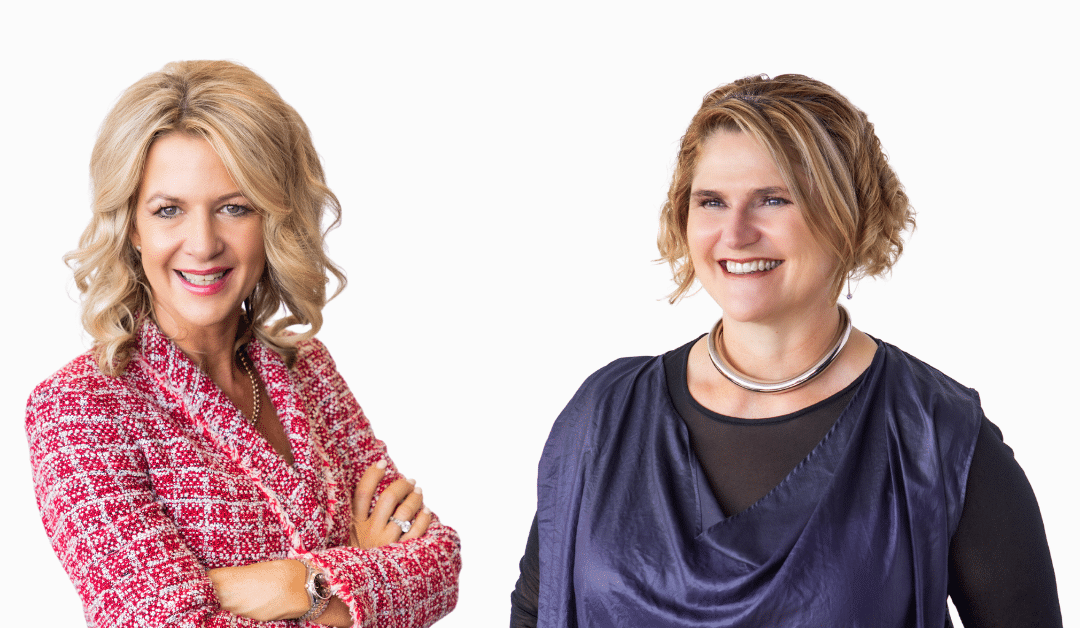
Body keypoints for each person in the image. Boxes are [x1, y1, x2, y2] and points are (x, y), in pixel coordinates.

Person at [510, 74, 1061, 627]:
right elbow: (535, 612)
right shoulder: (605, 415)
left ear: (847, 216)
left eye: (773, 199)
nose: (735, 232)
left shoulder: (933, 433)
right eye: (712, 202)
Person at [25, 60, 460, 627]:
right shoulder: (79, 409)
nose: (202, 244)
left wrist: (284, 585)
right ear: (131, 224)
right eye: (168, 210)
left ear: (275, 218)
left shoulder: (306, 371)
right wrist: (346, 580)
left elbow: (439, 566)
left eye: (234, 207)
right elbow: (156, 621)